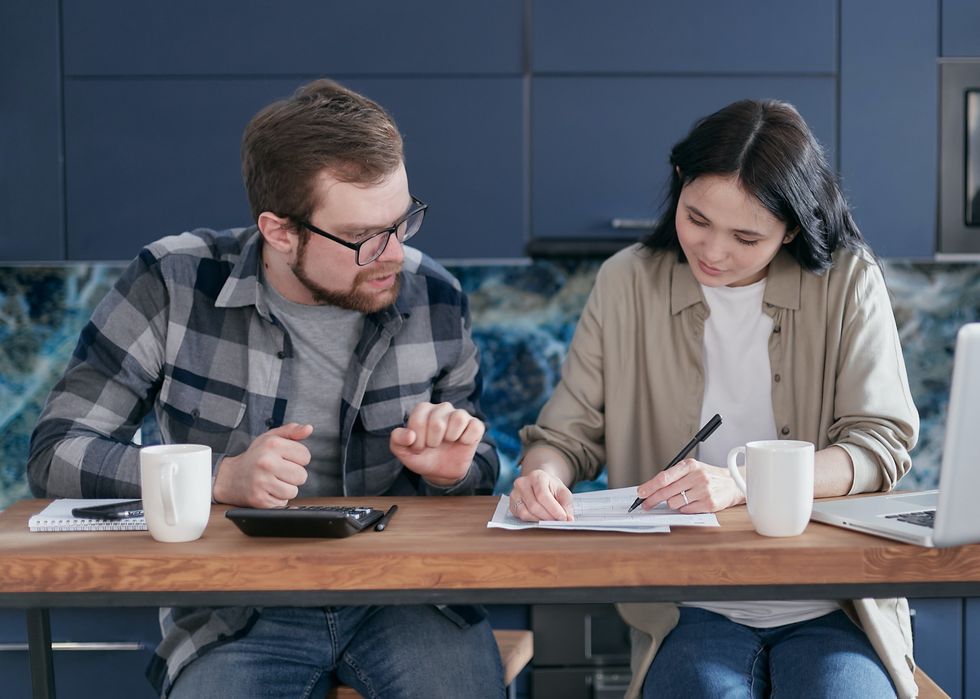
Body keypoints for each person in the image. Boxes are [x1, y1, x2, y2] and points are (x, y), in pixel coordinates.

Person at [27, 78, 505, 698]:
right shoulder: (172, 283)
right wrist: (218, 479)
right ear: (280, 231)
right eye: (364, 237)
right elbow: (56, 454)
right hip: (233, 607)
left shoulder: (435, 297)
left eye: (404, 220)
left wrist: (452, 472)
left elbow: (483, 468)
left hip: (404, 593)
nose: (395, 253)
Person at [511, 99, 920, 698]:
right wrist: (540, 476)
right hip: (688, 604)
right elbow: (566, 436)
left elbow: (879, 446)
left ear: (794, 229)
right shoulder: (627, 281)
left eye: (747, 236)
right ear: (678, 183)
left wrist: (747, 480)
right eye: (697, 219)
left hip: (833, 602)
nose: (713, 252)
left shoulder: (850, 281)